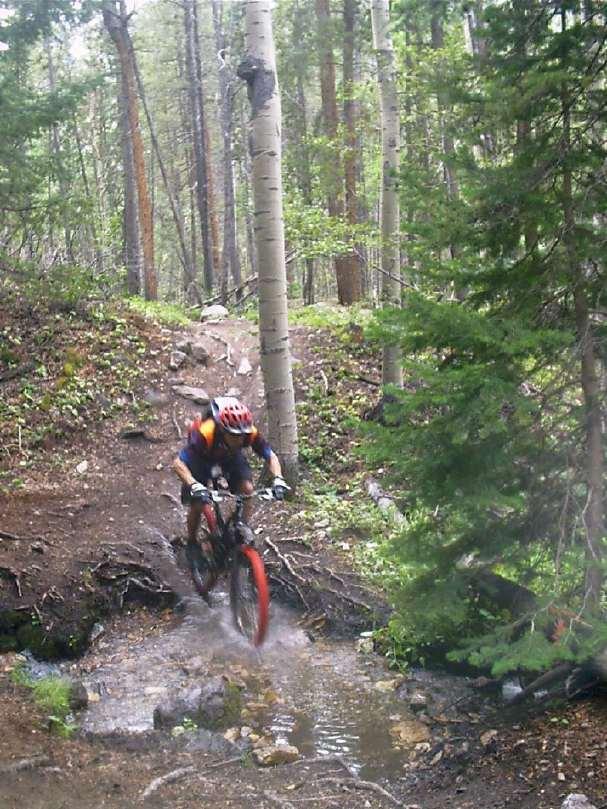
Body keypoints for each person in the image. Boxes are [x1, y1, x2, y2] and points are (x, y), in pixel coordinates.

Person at [173, 396, 288, 560]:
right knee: (197, 503)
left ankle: (241, 526)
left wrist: (278, 479)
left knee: (247, 489)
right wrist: (194, 485)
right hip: (202, 458)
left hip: (230, 456)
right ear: (222, 429)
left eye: (242, 435)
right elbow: (178, 463)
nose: (240, 439)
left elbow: (270, 456)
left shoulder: (249, 433)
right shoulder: (205, 434)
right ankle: (191, 542)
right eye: (234, 435)